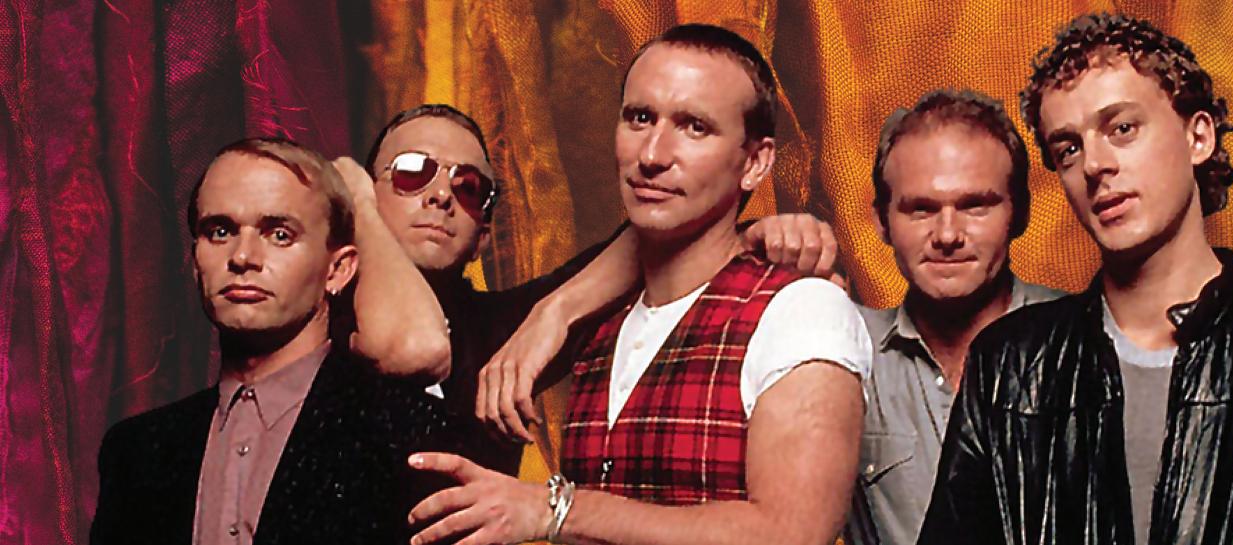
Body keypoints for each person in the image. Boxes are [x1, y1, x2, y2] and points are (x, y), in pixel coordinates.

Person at [405, 24, 872, 545]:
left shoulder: (800, 309)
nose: (652, 154)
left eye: (694, 127)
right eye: (640, 118)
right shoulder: (601, 317)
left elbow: (792, 533)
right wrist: (556, 311)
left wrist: (557, 510)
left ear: (755, 162)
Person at [336, 104, 844, 474]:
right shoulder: (309, 314)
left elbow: (651, 243)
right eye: (412, 172)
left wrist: (748, 235)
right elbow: (411, 344)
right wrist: (353, 203)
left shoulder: (503, 331)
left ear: (482, 238)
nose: (442, 195)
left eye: (470, 187)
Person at [918, 13, 1233, 545]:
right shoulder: (1009, 365)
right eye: (1068, 148)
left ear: (1198, 136)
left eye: (1122, 128)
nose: (1094, 165)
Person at [91, 138, 468, 545]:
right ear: (196, 262)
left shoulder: (412, 435)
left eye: (280, 235)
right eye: (220, 231)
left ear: (338, 270)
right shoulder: (136, 451)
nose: (243, 257)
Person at [844, 89, 1064, 545]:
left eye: (975, 205)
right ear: (882, 221)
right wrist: (764, 243)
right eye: (921, 209)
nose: (947, 235)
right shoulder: (846, 349)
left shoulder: (1079, 336)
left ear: (1020, 213)